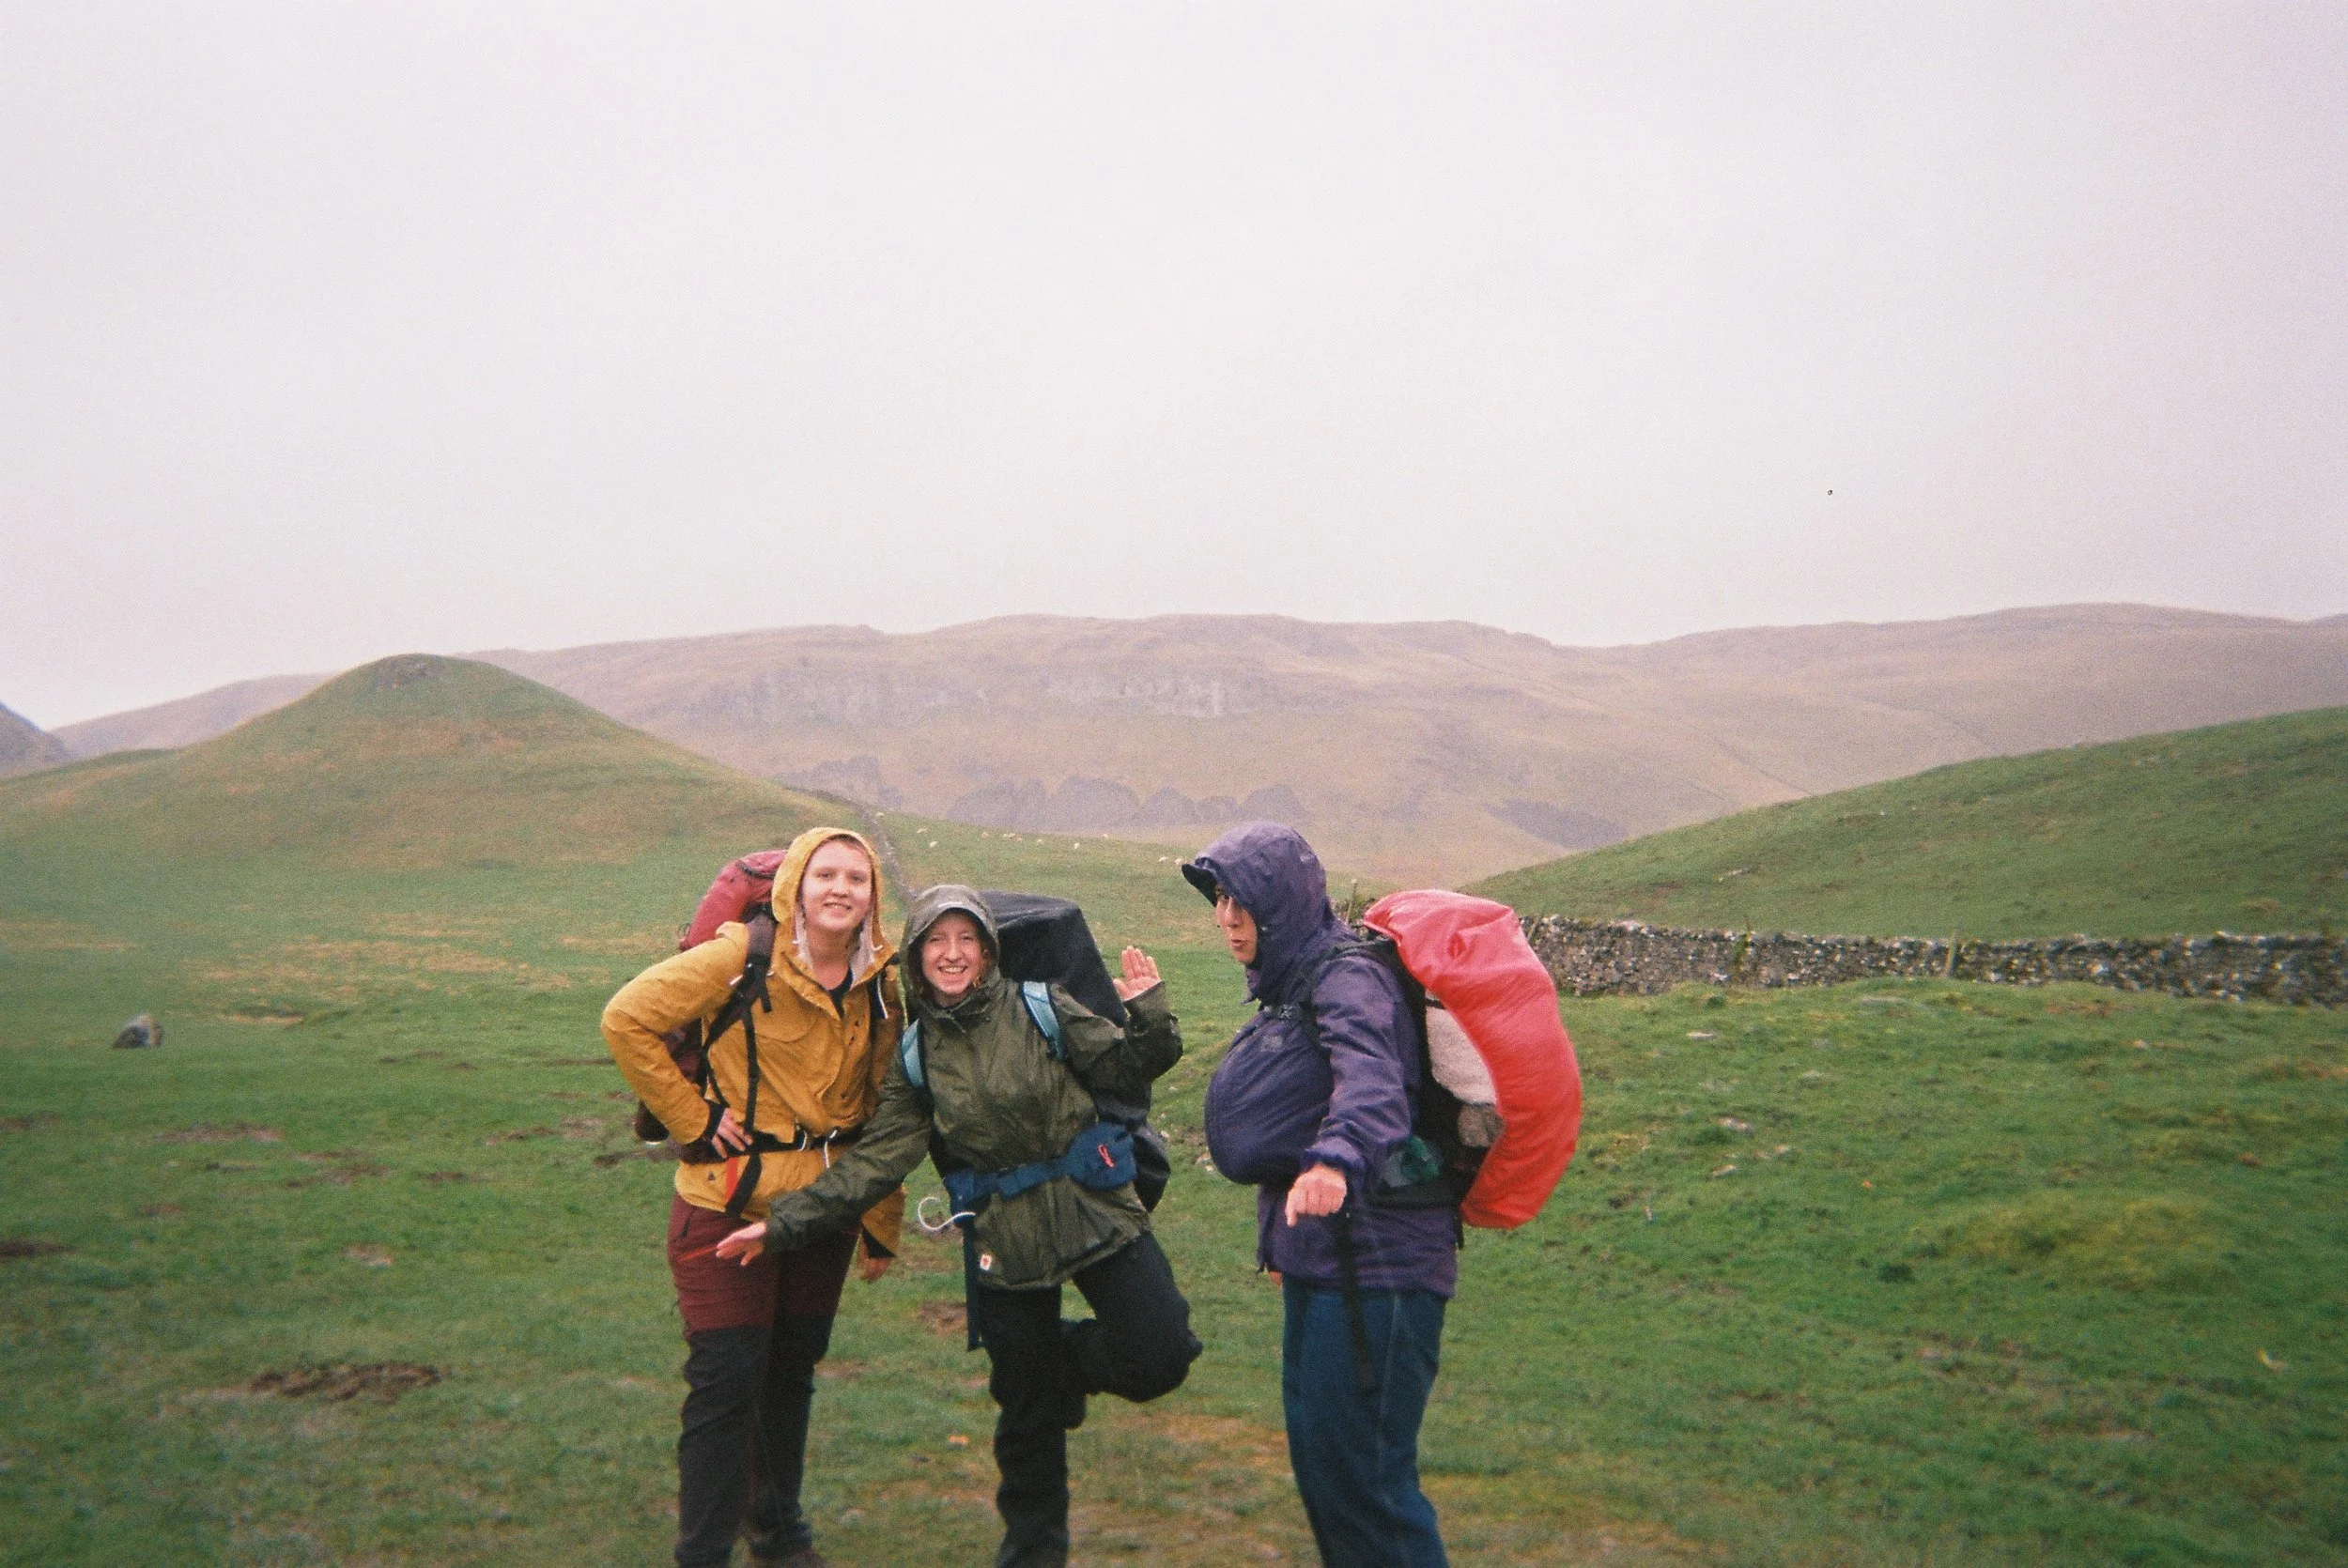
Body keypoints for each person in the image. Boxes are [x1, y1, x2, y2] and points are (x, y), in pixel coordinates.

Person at [716, 884, 1201, 1568]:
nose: (952, 954)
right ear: (917, 957)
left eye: (966, 938)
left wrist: (1148, 1012)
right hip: (1003, 1240)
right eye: (936, 941)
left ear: (987, 950)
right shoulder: (918, 1055)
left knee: (1161, 1352)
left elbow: (1127, 1065)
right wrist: (781, 1225)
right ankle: (1032, 1553)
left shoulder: (1040, 1007)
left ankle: (1057, 1368)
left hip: (1095, 1211)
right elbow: (877, 1161)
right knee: (1025, 1419)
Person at [603, 828, 907, 1568]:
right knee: (726, 1381)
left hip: (823, 1212)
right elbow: (626, 1018)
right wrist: (695, 1120)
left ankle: (778, 1536)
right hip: (725, 1202)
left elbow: (880, 1108)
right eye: (826, 874)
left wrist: (878, 1220)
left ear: (874, 896)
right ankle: (703, 1553)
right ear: (796, 885)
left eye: (857, 878)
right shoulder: (741, 956)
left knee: (789, 1375)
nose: (841, 889)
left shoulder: (880, 981)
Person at [1187, 822, 1454, 1568]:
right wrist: (1283, 1241)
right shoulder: (1292, 981)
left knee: (1368, 1485)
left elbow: (1373, 1081)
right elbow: (1290, 1117)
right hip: (1324, 1260)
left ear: (1281, 903)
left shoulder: (1346, 979)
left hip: (1379, 1267)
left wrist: (1336, 1161)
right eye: (1219, 899)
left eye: (1242, 900)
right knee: (1330, 1475)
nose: (1227, 918)